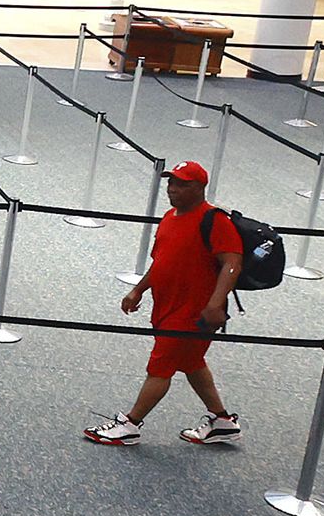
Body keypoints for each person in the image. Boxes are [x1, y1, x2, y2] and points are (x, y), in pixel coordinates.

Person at [85, 162, 243, 446]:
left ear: (199, 188)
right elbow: (162, 262)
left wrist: (216, 304)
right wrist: (138, 290)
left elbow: (232, 262)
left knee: (160, 366)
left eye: (182, 184)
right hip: (169, 306)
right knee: (192, 362)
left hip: (193, 313)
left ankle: (130, 424)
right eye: (171, 183)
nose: (173, 189)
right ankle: (222, 421)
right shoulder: (170, 217)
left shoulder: (215, 220)